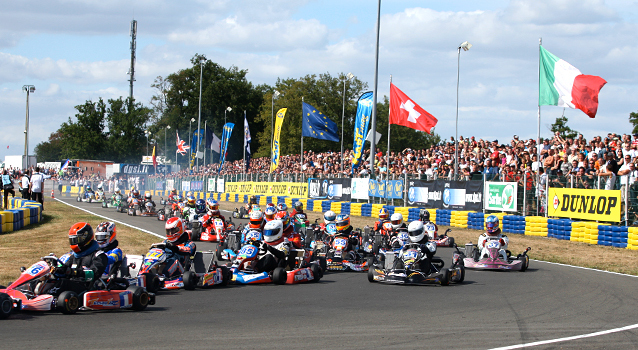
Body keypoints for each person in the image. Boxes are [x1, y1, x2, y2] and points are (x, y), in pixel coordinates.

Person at [52, 222, 108, 295]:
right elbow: (65, 268)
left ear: (85, 238)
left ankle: (45, 298)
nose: (73, 243)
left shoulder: (99, 256)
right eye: (72, 240)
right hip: (72, 287)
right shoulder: (74, 256)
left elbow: (94, 274)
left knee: (63, 283)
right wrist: (56, 269)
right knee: (51, 280)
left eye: (76, 240)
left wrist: (74, 272)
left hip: (87, 288)